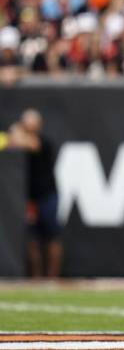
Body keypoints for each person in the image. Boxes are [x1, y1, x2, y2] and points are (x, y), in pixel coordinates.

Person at [7, 109, 62, 279]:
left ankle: (52, 277)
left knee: (52, 236)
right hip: (30, 198)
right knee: (32, 239)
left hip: (47, 195)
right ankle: (36, 278)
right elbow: (10, 142)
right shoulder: (20, 142)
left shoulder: (44, 142)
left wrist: (15, 132)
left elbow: (29, 143)